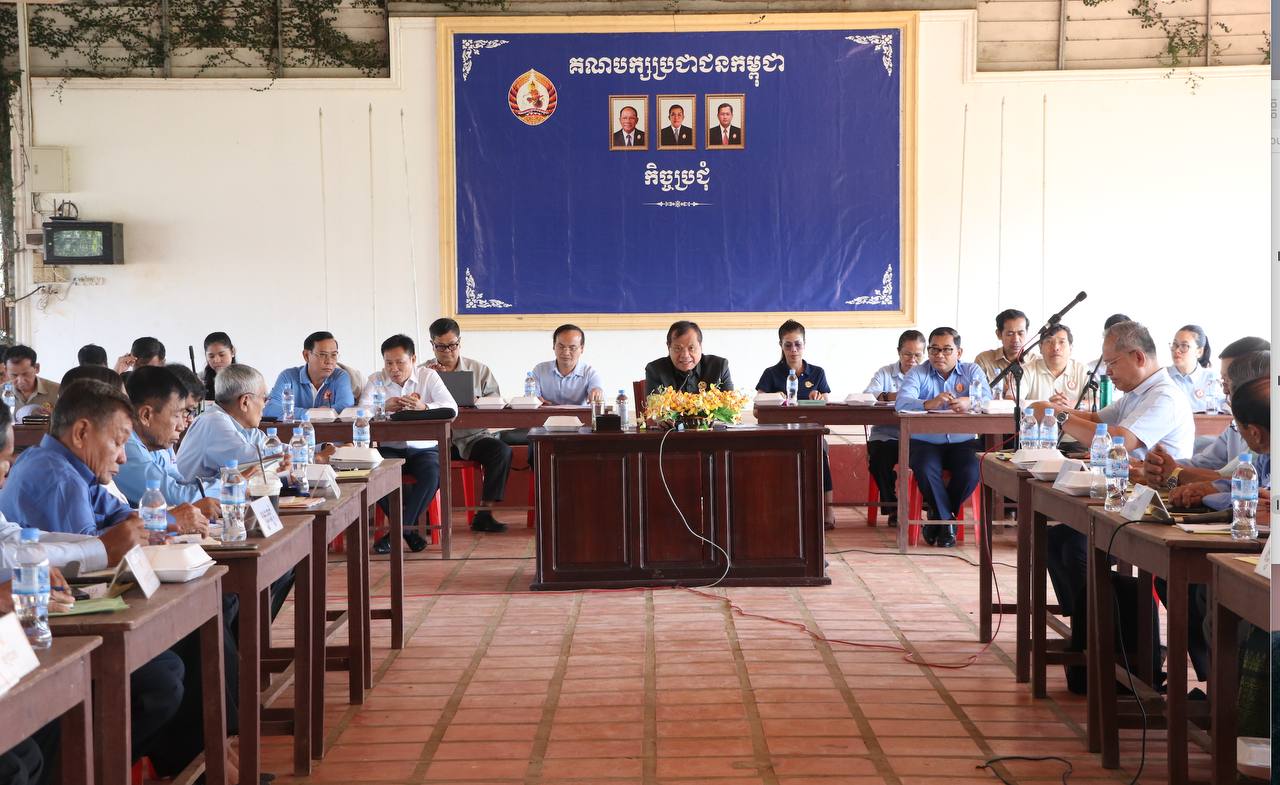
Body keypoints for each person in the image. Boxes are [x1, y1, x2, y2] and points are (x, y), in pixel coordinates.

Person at [1045, 320, 1195, 618]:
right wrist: (1051, 409)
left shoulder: (1164, 396)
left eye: (1112, 363)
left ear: (1138, 357)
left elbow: (1120, 439)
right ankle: (1090, 629)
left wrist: (1059, 417)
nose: (1108, 371)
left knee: (1076, 549)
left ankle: (1108, 629)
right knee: (1055, 541)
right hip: (1126, 495)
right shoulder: (1136, 393)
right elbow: (1095, 419)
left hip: (1160, 503)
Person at [0, 379, 143, 536]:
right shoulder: (61, 479)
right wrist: (133, 529)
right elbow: (91, 548)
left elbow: (121, 512)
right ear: (81, 433)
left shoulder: (37, 456)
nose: (123, 458)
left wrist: (136, 523)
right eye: (117, 442)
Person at [894, 327, 992, 548]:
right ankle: (947, 521)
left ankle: (939, 518)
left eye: (947, 349)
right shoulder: (918, 372)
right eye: (934, 349)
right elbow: (901, 403)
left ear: (959, 352)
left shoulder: (972, 371)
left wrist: (969, 401)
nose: (939, 355)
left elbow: (988, 399)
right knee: (925, 468)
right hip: (925, 442)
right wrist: (928, 403)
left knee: (972, 470)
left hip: (963, 442)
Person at [361, 334, 456, 553]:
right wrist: (382, 407)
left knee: (433, 473)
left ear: (413, 359)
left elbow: (451, 407)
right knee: (374, 473)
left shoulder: (428, 376)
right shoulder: (376, 380)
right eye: (388, 363)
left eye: (400, 362)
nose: (394, 369)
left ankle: (397, 532)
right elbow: (360, 411)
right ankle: (407, 531)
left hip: (424, 449)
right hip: (389, 449)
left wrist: (424, 407)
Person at [423, 318, 511, 533]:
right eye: (441, 346)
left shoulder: (479, 370)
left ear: (460, 342)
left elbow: (497, 402)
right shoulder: (422, 372)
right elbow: (411, 403)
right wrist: (429, 382)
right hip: (435, 441)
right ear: (432, 345)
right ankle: (424, 517)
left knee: (501, 451)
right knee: (419, 460)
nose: (447, 351)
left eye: (452, 345)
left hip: (472, 438)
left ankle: (485, 513)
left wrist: (478, 401)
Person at [1145, 341, 1269, 490]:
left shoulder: (1265, 437)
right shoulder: (1235, 426)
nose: (1225, 391)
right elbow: (1206, 464)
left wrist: (1175, 473)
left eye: (1229, 381)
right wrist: (1159, 467)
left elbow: (1236, 481)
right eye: (1224, 381)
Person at [115, 367, 219, 526]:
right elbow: (177, 498)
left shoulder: (153, 444)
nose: (182, 425)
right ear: (146, 415)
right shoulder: (126, 446)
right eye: (177, 415)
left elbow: (179, 483)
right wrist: (231, 486)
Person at [756, 320, 834, 527]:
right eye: (788, 345)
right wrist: (774, 398)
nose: (793, 350)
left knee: (820, 451)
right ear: (780, 346)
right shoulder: (771, 373)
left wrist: (819, 398)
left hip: (810, 432)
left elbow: (827, 405)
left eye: (798, 344)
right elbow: (757, 407)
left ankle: (828, 510)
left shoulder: (817, 372)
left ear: (804, 344)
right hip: (778, 434)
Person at [177, 364, 292, 490]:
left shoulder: (245, 427)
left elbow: (275, 450)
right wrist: (283, 459)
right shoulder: (213, 421)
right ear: (245, 402)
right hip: (192, 499)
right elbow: (254, 460)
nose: (265, 405)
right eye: (264, 399)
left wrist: (290, 457)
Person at [863, 329, 926, 528]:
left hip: (918, 437)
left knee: (930, 460)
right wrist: (897, 396)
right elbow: (868, 395)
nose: (912, 360)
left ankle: (928, 506)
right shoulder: (885, 373)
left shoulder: (928, 374)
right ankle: (894, 507)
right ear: (899, 352)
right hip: (886, 435)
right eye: (907, 354)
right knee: (879, 460)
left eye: (917, 355)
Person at [264, 331, 355, 417]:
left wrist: (306, 414)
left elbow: (346, 408)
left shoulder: (340, 376)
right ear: (306, 356)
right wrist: (312, 413)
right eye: (323, 355)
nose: (329, 361)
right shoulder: (288, 377)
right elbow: (271, 408)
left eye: (334, 355)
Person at [645, 320, 733, 394]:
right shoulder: (655, 370)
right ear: (668, 347)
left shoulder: (719, 367)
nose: (685, 355)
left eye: (691, 348)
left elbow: (730, 406)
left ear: (700, 346)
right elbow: (654, 407)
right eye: (678, 348)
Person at [1020, 324, 1092, 410]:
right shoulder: (1026, 370)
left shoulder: (1082, 370)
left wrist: (1076, 404)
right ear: (1040, 347)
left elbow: (1098, 401)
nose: (1055, 347)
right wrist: (1047, 405)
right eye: (1049, 341)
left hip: (1073, 418)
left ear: (1071, 348)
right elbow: (1013, 401)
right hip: (1037, 418)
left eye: (1061, 342)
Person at [531, 324, 605, 405]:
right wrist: (534, 400)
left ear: (582, 349)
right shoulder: (539, 370)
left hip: (580, 414)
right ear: (554, 346)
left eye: (572, 348)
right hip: (546, 413)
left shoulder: (590, 374)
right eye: (561, 347)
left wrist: (597, 393)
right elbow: (532, 397)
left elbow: (597, 390)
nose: (566, 353)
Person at [973, 309, 1033, 398]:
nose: (1016, 339)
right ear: (999, 334)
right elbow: (976, 395)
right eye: (1010, 334)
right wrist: (998, 393)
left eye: (1020, 333)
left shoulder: (1036, 361)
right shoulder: (984, 360)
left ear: (1026, 333)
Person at [1166, 324, 1222, 413]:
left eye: (1184, 346)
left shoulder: (1212, 379)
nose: (1177, 350)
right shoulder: (1162, 376)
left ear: (1199, 351)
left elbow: (1222, 414)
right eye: (1175, 345)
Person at [4, 345, 60, 414]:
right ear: (6, 370)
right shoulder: (1, 393)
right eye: (14, 375)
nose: (20, 381)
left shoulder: (57, 392)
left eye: (25, 374)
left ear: (37, 368)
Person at [202, 331, 237, 400]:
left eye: (221, 355)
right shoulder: (201, 379)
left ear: (233, 352)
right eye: (211, 356)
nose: (216, 360)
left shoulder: (246, 378)